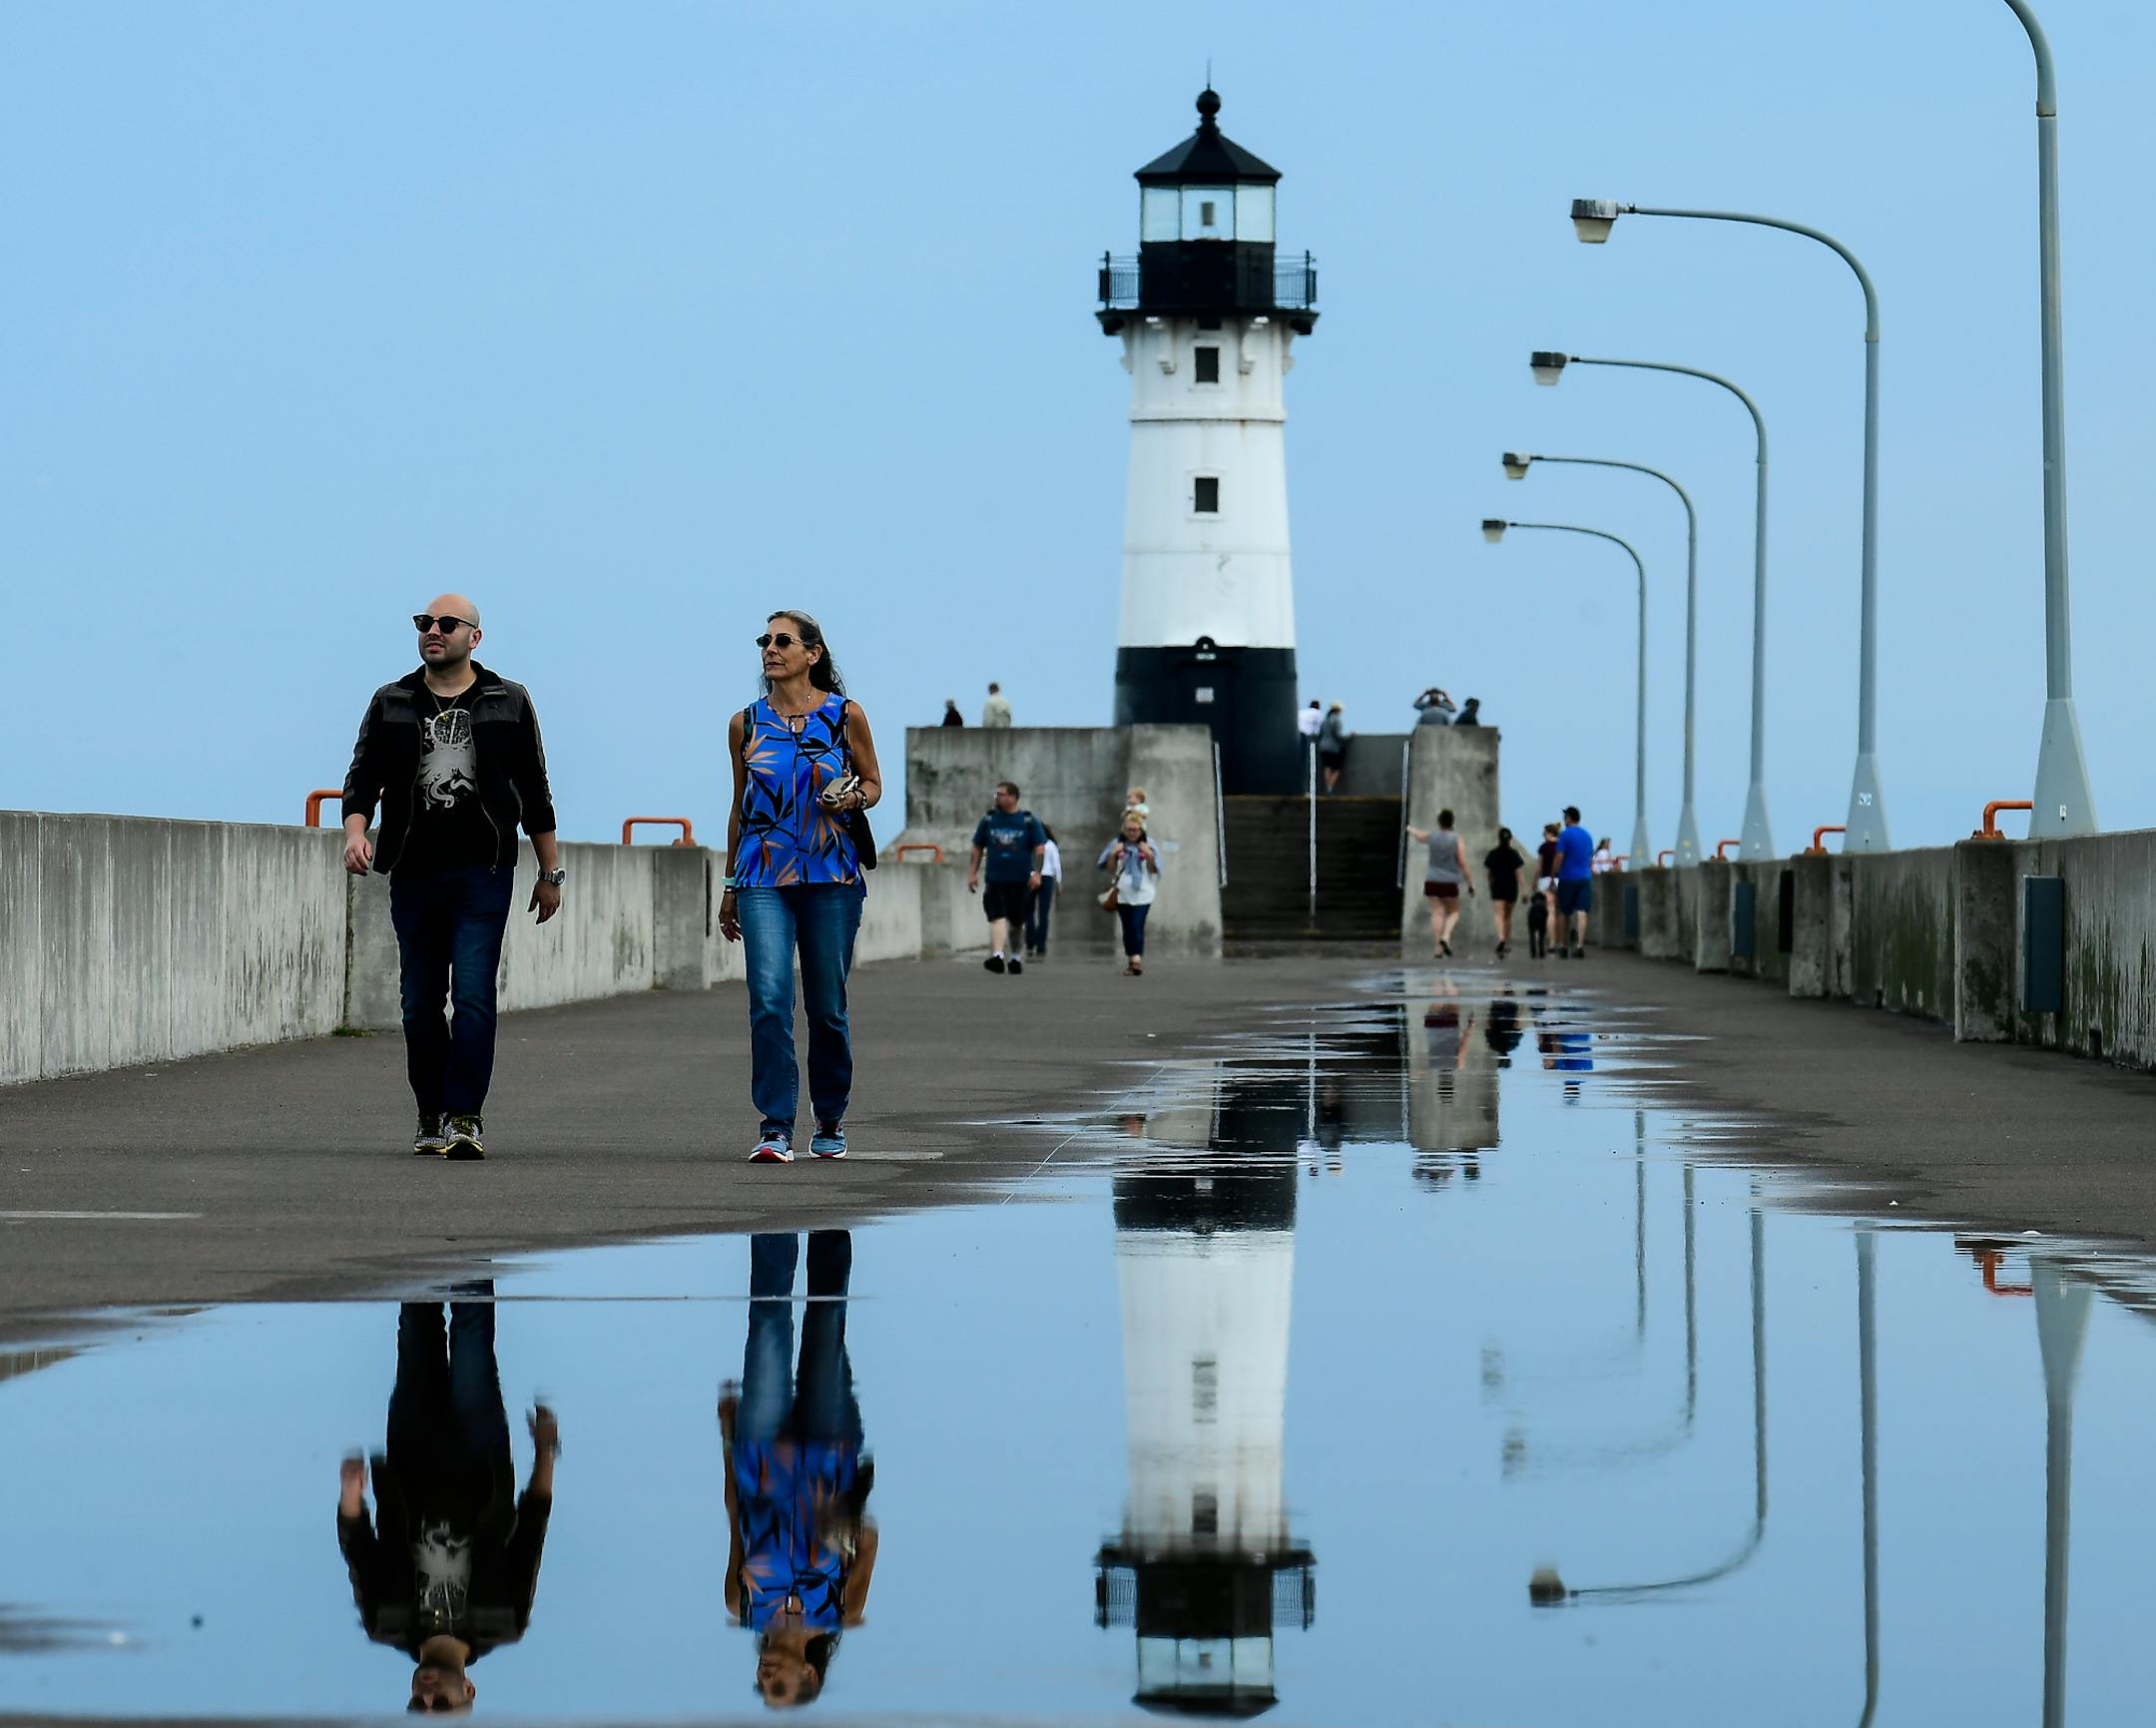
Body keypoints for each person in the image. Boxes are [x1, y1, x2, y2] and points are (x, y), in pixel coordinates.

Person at [340, 597, 563, 1161]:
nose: (432, 632)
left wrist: (549, 871)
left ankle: (465, 1116)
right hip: (413, 870)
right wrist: (355, 832)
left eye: (445, 625)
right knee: (418, 1002)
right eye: (424, 624)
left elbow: (534, 790)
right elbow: (362, 777)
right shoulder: (391, 700)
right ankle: (430, 1111)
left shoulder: (508, 700)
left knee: (472, 997)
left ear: (475, 637)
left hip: (483, 871)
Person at [337, 1289, 556, 1713]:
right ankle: (474, 1241)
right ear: (469, 1691)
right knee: (472, 1337)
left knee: (417, 1329)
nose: (428, 1694)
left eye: (418, 1703)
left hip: (411, 1458)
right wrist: (546, 1452)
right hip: (482, 1461)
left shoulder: (385, 1623)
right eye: (442, 1704)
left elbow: (359, 1550)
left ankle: (420, 1238)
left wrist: (351, 1495)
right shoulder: (504, 1623)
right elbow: (531, 1534)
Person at [720, 611, 881, 1165]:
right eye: (764, 640)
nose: (770, 648)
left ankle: (830, 1117)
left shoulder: (844, 716)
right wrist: (728, 884)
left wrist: (852, 798)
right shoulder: (746, 723)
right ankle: (775, 1126)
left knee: (827, 1008)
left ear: (813, 653)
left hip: (831, 876)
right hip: (762, 876)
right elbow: (739, 806)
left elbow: (875, 784)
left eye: (782, 640)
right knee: (768, 1001)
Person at [720, 1230, 877, 1712]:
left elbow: (735, 1517)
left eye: (762, 1685)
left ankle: (775, 1221)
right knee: (826, 1322)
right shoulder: (842, 1611)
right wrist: (843, 1526)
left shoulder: (740, 1606)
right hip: (828, 1457)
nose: (766, 1677)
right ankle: (830, 1217)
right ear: (808, 1672)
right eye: (779, 1685)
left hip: (760, 1455)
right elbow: (868, 1538)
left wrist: (727, 1438)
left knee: (767, 1322)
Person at [967, 781, 1045, 975]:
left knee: (1017, 921)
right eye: (997, 794)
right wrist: (972, 873)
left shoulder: (1027, 820)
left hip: (1020, 880)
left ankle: (1016, 956)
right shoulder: (989, 819)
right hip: (995, 878)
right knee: (997, 916)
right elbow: (978, 847)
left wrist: (1037, 872)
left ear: (1013, 797)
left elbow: (1040, 848)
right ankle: (998, 955)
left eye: (1001, 794)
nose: (997, 798)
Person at [1405, 809, 1475, 958]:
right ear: (1452, 822)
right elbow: (1462, 862)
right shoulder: (1457, 838)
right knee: (1454, 912)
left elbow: (1420, 835)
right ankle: (1446, 936)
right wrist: (1470, 883)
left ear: (1439, 822)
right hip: (1450, 881)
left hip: (1432, 879)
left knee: (1437, 913)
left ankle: (1438, 947)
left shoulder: (1433, 836)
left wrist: (1410, 829)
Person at [1099, 813, 1162, 975]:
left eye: (1135, 830)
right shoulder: (1117, 844)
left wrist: (1149, 856)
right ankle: (1131, 960)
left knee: (1136, 925)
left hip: (1143, 893)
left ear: (1141, 830)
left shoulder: (1149, 844)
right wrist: (1113, 854)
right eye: (1129, 830)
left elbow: (1154, 870)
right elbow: (1110, 869)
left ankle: (1136, 959)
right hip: (1122, 894)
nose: (1132, 833)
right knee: (1127, 928)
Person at [1555, 805, 1596, 959]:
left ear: (1569, 818)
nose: (1564, 820)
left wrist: (1554, 874)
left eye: (1565, 817)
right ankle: (1579, 945)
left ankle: (1564, 946)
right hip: (1584, 877)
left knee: (1564, 913)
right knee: (1582, 912)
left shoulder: (1565, 835)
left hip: (1568, 878)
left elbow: (1560, 856)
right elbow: (1589, 856)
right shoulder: (1587, 835)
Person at [1484, 825, 1526, 958]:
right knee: (1507, 916)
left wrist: (1490, 884)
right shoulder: (1514, 854)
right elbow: (1519, 874)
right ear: (1510, 839)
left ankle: (1501, 939)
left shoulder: (1493, 853)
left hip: (1498, 886)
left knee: (1499, 915)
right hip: (1511, 887)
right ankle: (1505, 941)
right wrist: (1524, 891)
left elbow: (1489, 874)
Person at [1024, 823, 1062, 958]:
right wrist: (1059, 882)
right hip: (1047, 877)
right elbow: (1056, 865)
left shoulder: (1029, 843)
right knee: (1043, 913)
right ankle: (1041, 944)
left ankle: (1030, 940)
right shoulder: (1050, 845)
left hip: (1031, 876)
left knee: (1029, 910)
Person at [1534, 822, 1562, 954]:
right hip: (1561, 879)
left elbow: (1539, 868)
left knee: (1549, 912)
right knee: (1560, 913)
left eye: (1544, 833)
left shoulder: (1544, 847)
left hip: (1546, 880)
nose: (1542, 835)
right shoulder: (1562, 846)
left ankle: (1551, 943)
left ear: (1549, 833)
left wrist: (1534, 882)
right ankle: (1560, 942)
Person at [1317, 703, 1349, 793]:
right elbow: (1338, 735)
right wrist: (1350, 736)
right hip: (1334, 748)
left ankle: (1327, 786)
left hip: (1323, 746)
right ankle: (1330, 787)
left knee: (1327, 767)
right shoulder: (1337, 720)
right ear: (1339, 710)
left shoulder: (1325, 720)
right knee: (1337, 768)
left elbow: (1320, 734)